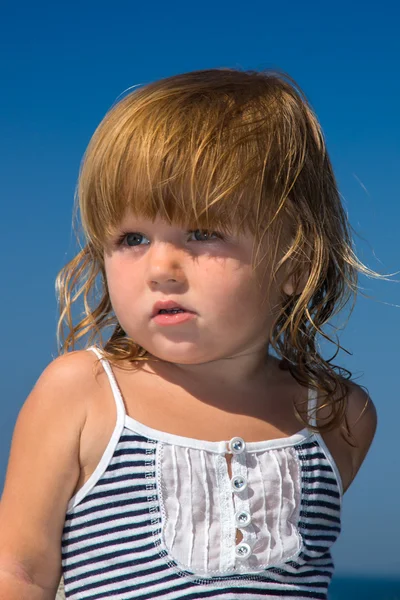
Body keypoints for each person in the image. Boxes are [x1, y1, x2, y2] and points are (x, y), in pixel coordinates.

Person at [0, 67, 378, 600]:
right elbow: (19, 573)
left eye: (201, 233)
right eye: (132, 237)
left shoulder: (338, 416)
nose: (161, 267)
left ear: (295, 259)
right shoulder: (85, 395)